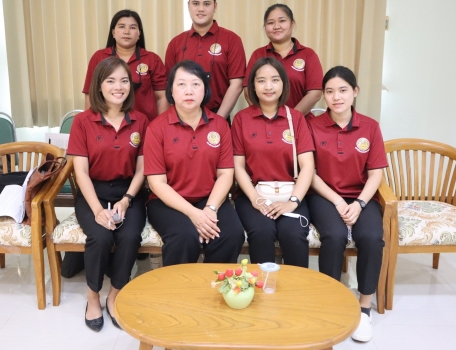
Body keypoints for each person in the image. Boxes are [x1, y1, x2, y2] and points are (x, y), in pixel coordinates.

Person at [306, 66, 387, 343]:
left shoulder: (370, 127)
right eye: (329, 91)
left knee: (372, 237)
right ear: (323, 96)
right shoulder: (312, 126)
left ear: (355, 92)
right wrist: (338, 201)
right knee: (334, 235)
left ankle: (364, 307)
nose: (336, 97)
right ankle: (332, 300)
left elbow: (375, 174)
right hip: (325, 196)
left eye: (342, 90)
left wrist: (360, 203)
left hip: (362, 196)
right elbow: (310, 173)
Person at [68, 57, 148, 332]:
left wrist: (127, 200)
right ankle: (93, 296)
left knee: (129, 236)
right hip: (93, 192)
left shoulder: (140, 120)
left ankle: (114, 294)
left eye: (124, 81)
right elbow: (81, 172)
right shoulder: (82, 121)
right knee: (100, 236)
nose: (118, 87)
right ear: (99, 86)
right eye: (111, 80)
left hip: (129, 192)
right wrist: (97, 210)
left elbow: (142, 169)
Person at [144, 60, 245, 266]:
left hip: (210, 198)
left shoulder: (220, 125)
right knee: (183, 237)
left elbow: (226, 174)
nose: (188, 91)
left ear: (205, 89)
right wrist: (194, 215)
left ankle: (213, 284)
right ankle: (182, 286)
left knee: (231, 234)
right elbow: (157, 183)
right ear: (171, 91)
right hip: (167, 202)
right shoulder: (157, 128)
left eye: (195, 84)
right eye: (181, 84)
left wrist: (210, 209)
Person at [232, 57, 315, 267]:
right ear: (252, 86)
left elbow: (307, 165)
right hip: (252, 195)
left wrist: (293, 202)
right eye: (261, 81)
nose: (268, 86)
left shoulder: (296, 118)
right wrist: (255, 199)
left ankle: (295, 287)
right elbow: (238, 166)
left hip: (291, 193)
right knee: (261, 231)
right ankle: (262, 285)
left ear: (283, 84)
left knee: (293, 233)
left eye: (275, 80)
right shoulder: (241, 119)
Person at [165, 0, 246, 120]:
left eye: (206, 4)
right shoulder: (175, 43)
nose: (201, 9)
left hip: (219, 115)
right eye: (196, 4)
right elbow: (170, 84)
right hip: (182, 118)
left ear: (215, 6)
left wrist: (218, 120)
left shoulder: (232, 40)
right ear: (188, 6)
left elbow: (237, 84)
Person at [82, 9, 168, 121]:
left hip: (145, 125)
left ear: (139, 33)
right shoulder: (99, 57)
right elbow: (90, 94)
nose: (127, 32)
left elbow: (161, 98)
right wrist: (89, 123)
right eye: (122, 27)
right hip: (106, 125)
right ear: (113, 32)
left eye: (132, 27)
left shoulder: (152, 59)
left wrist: (161, 127)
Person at [243, 4, 323, 115]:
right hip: (264, 122)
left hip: (299, 121)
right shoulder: (258, 54)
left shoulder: (308, 54)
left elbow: (315, 93)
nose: (276, 26)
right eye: (271, 23)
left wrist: (291, 119)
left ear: (292, 24)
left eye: (282, 21)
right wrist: (265, 118)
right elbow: (248, 90)